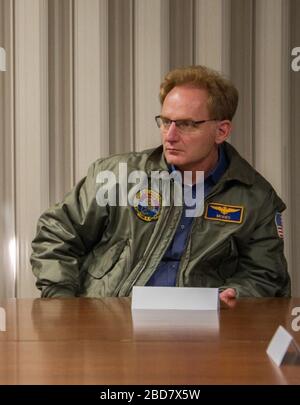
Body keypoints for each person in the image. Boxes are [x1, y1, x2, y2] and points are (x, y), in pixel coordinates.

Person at [31, 65, 291, 307]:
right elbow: (56, 235)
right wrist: (64, 304)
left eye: (187, 124)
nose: (170, 135)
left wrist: (237, 295)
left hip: (201, 334)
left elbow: (265, 274)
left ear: (221, 131)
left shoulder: (255, 197)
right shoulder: (117, 176)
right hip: (111, 324)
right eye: (166, 121)